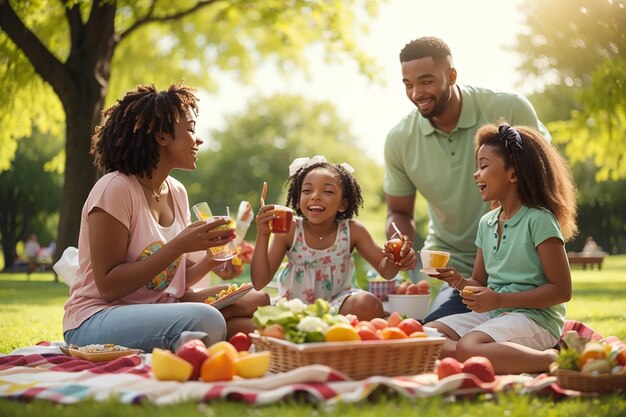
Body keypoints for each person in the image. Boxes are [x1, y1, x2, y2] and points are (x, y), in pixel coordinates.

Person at [63, 82, 269, 352]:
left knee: (259, 300)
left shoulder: (177, 192)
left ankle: (198, 341)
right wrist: (180, 245)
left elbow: (174, 283)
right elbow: (108, 286)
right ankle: (193, 341)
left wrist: (210, 261)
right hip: (97, 318)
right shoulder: (115, 188)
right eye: (191, 130)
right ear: (162, 136)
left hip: (158, 308)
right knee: (208, 319)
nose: (199, 139)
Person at [384, 36, 551, 323]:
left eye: (426, 82)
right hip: (454, 269)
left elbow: (544, 179)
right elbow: (398, 211)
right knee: (433, 336)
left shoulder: (509, 108)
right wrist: (400, 241)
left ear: (451, 75)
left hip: (517, 264)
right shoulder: (400, 139)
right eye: (408, 85)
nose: (416, 93)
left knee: (515, 331)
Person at [424, 123, 578, 374]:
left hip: (536, 320)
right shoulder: (487, 222)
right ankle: (489, 355)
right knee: (426, 334)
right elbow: (479, 281)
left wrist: (500, 299)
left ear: (513, 174)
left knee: (469, 346)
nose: (476, 174)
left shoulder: (538, 220)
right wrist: (457, 280)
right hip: (497, 315)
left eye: (484, 166)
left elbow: (562, 290)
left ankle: (551, 359)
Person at [251, 155, 417, 320]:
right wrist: (263, 234)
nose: (315, 196)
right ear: (297, 199)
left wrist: (396, 258)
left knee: (368, 303)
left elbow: (386, 271)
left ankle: (318, 332)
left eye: (328, 191)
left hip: (337, 309)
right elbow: (259, 283)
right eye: (307, 190)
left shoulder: (352, 230)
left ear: (343, 204)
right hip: (294, 308)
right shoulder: (290, 230)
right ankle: (317, 332)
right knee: (243, 318)